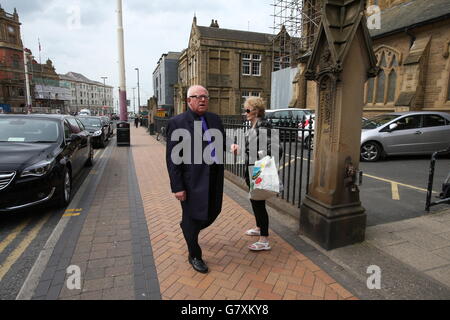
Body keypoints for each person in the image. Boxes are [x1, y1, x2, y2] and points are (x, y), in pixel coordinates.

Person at [166, 85, 225, 274]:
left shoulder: (215, 119)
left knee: (213, 211)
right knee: (192, 219)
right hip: (192, 182)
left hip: (214, 178)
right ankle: (195, 254)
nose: (202, 100)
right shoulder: (177, 123)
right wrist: (177, 187)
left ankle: (188, 227)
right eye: (197, 96)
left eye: (205, 96)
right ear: (188, 100)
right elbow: (173, 158)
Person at [231, 97, 281, 252]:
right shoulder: (254, 126)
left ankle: (264, 240)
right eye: (245, 109)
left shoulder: (263, 127)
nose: (245, 113)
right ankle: (260, 227)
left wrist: (242, 151)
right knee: (256, 201)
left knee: (258, 203)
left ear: (256, 111)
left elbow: (275, 149)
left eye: (247, 110)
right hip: (252, 170)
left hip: (258, 171)